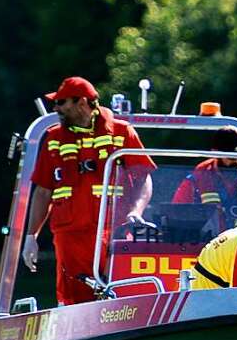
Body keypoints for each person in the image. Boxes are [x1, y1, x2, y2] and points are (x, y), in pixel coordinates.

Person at [23, 77, 155, 305]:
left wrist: (136, 211)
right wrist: (31, 236)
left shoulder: (122, 132)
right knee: (73, 298)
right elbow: (44, 191)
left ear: (82, 102)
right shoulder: (54, 138)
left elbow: (144, 176)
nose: (56, 108)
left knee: (123, 293)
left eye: (62, 102)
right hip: (71, 237)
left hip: (115, 231)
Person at [171, 126, 237, 227]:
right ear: (215, 152)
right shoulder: (196, 179)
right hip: (210, 240)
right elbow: (176, 215)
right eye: (232, 156)